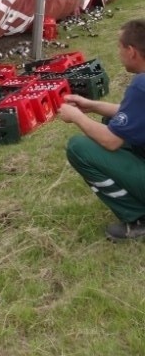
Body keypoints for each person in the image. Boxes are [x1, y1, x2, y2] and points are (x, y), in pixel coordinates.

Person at [60, 19, 145, 241]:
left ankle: (139, 220)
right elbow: (134, 114)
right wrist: (92, 105)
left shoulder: (141, 85)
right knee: (110, 118)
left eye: (119, 47)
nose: (118, 52)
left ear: (131, 51)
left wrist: (76, 116)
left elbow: (111, 142)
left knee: (79, 148)